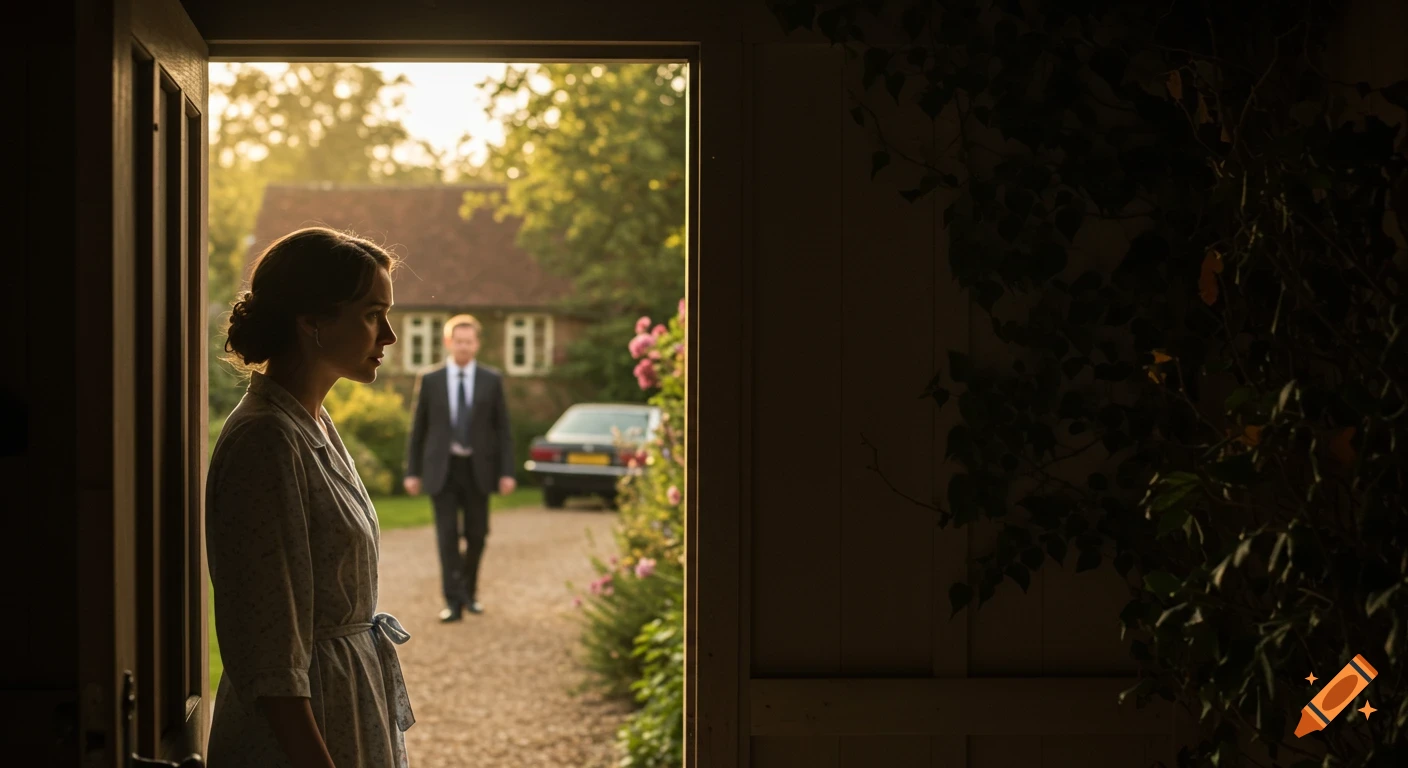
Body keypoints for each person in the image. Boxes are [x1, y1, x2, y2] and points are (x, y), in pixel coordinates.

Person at [206, 227, 414, 768]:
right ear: (313, 321)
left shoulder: (312, 424)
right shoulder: (266, 439)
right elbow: (270, 653)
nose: (388, 335)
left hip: (343, 700)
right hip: (302, 730)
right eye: (372, 313)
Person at [403, 314, 517, 621]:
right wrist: (412, 472)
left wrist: (507, 472)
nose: (464, 347)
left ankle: (470, 592)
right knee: (447, 535)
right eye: (458, 341)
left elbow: (502, 429)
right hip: (442, 469)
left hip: (479, 470)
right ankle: (453, 600)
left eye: (469, 341)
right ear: (448, 342)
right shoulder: (431, 379)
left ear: (477, 344)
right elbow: (419, 429)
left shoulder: (492, 380)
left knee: (477, 534)